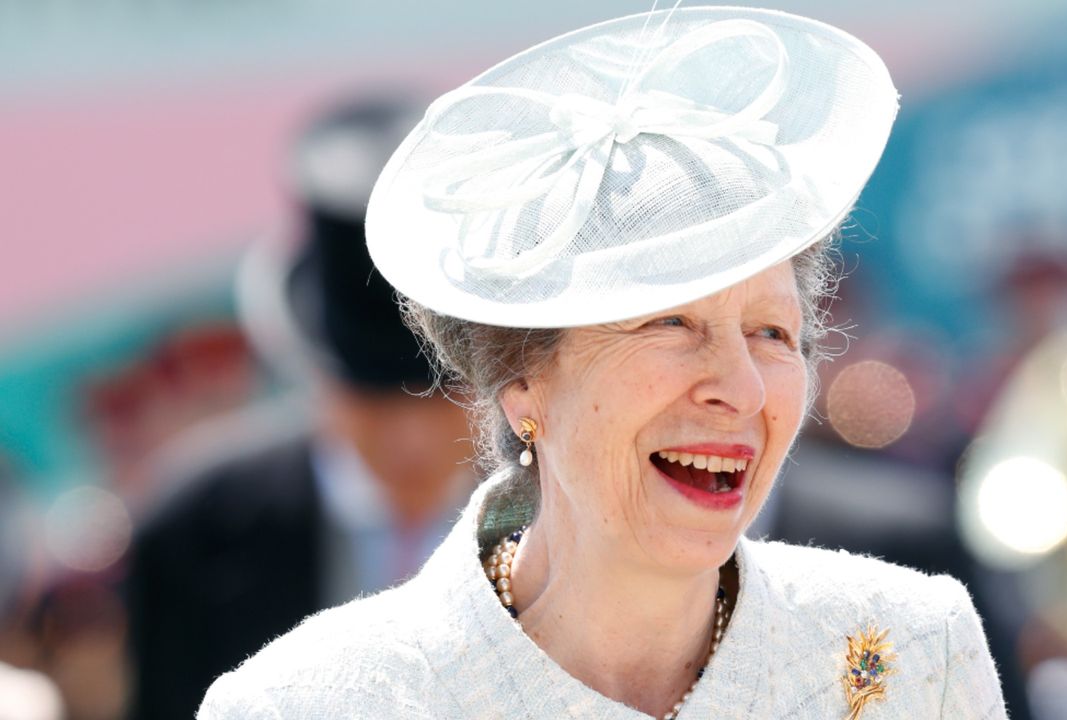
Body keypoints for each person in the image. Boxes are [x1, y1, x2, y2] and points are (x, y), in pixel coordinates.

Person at [199, 7, 1008, 719]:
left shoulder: (905, 653)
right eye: (670, 322)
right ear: (523, 381)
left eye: (771, 334)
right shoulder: (310, 704)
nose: (742, 388)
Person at [126, 97, 473, 720]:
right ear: (313, 371)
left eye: (444, 392)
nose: (411, 439)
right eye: (373, 397)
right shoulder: (194, 524)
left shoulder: (569, 510)